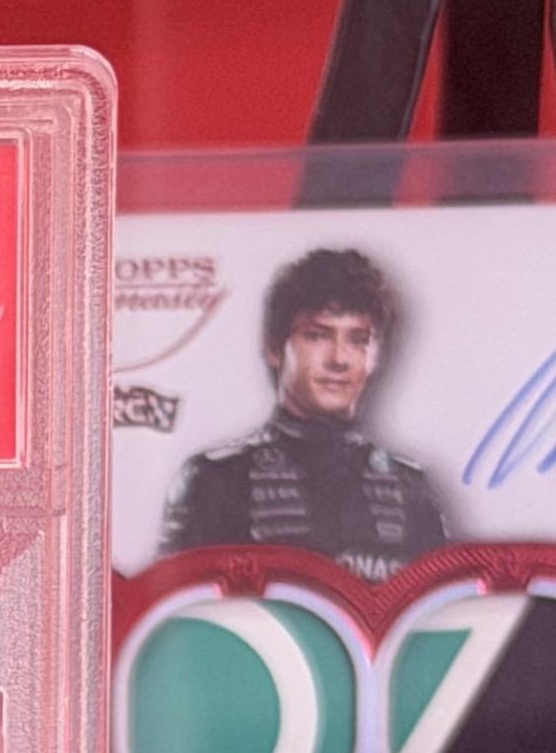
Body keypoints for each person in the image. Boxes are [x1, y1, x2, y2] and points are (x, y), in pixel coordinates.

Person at [160, 245, 448, 581]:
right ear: (274, 348)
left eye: (358, 340)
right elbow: (176, 605)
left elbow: (437, 606)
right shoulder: (216, 480)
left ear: (375, 356)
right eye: (317, 336)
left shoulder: (412, 489)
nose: (339, 359)